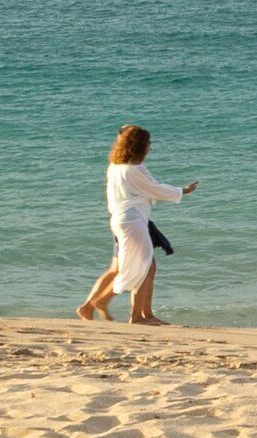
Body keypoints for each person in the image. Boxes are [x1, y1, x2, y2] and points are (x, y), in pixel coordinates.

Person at [78, 124, 195, 326]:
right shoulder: (131, 171)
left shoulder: (116, 167)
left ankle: (142, 314)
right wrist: (181, 191)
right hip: (132, 221)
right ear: (139, 146)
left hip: (126, 219)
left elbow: (151, 185)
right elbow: (153, 188)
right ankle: (135, 316)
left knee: (146, 266)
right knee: (143, 266)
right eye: (148, 143)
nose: (150, 147)